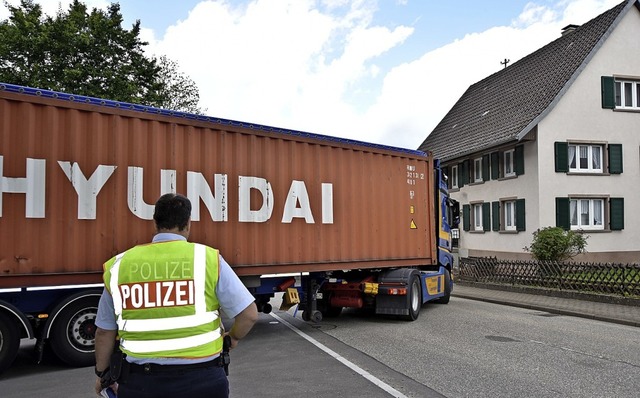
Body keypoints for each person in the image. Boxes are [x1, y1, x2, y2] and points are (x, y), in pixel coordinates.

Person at [93, 193, 258, 398]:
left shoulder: (120, 266)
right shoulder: (207, 259)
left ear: (155, 223)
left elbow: (104, 332)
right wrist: (232, 337)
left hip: (141, 384)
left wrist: (102, 374)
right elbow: (249, 315)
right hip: (203, 381)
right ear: (188, 223)